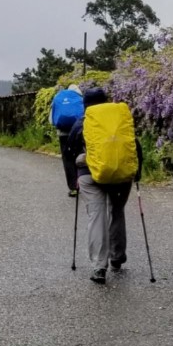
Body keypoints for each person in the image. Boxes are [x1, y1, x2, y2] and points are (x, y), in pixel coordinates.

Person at [63, 84, 143, 284]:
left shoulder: (82, 122)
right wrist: (137, 174)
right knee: (117, 211)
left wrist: (75, 180)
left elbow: (70, 152)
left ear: (86, 105)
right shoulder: (119, 120)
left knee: (96, 215)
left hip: (89, 175)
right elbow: (135, 147)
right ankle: (117, 257)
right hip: (122, 175)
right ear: (107, 101)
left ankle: (99, 267)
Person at [50, 84, 85, 197]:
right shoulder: (80, 98)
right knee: (81, 157)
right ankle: (84, 185)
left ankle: (73, 188)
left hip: (63, 134)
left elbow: (51, 119)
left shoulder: (58, 97)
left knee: (68, 160)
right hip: (79, 133)